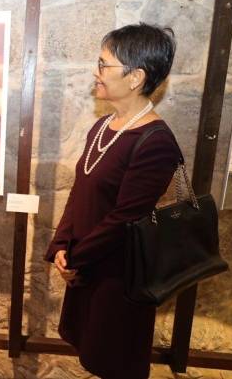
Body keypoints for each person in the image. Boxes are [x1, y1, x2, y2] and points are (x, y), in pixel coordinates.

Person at [44, 23, 180, 379]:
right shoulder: (103, 126)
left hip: (118, 275)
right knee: (90, 351)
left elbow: (126, 218)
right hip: (88, 264)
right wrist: (61, 244)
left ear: (135, 77)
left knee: (115, 360)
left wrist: (77, 259)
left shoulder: (156, 142)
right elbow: (80, 190)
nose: (96, 72)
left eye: (104, 65)